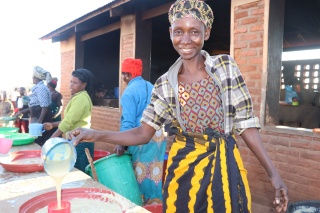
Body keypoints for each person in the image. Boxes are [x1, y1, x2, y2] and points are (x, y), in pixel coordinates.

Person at [69, 0, 288, 212]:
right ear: (170, 32)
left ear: (206, 33)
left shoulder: (226, 68)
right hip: (185, 168)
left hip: (224, 164)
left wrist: (273, 174)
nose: (186, 39)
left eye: (194, 31)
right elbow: (142, 133)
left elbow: (246, 125)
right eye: (178, 31)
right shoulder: (164, 84)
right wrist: (94, 133)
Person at [114, 58, 167, 205]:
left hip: (140, 138)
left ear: (128, 75)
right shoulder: (151, 86)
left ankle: (140, 206)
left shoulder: (128, 93)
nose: (123, 77)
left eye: (124, 74)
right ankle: (155, 205)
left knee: (139, 176)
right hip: (157, 137)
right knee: (155, 174)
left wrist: (120, 143)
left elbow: (129, 123)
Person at [44, 68, 95, 173]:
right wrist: (53, 124)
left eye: (75, 82)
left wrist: (50, 141)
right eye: (71, 81)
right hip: (76, 140)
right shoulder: (79, 97)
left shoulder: (81, 98)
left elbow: (68, 123)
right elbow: (70, 121)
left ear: (84, 84)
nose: (71, 85)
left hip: (80, 142)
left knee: (79, 175)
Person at [15, 66, 54, 146]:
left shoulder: (41, 88)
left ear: (36, 77)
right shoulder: (38, 88)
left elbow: (44, 107)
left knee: (40, 142)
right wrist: (22, 111)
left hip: (41, 119)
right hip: (37, 118)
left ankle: (41, 157)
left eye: (33, 76)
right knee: (36, 140)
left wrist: (39, 122)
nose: (32, 78)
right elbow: (35, 105)